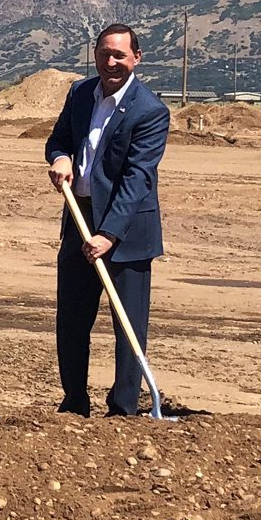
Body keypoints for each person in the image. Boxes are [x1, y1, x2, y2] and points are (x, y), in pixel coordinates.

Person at [42, 25, 170, 416]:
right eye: (104, 54)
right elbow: (59, 138)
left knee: (128, 325)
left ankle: (125, 406)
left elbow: (137, 178)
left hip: (126, 231)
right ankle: (74, 399)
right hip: (78, 217)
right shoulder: (80, 93)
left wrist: (108, 234)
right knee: (72, 318)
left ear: (136, 58)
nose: (110, 62)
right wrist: (60, 157)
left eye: (119, 55)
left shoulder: (150, 110)